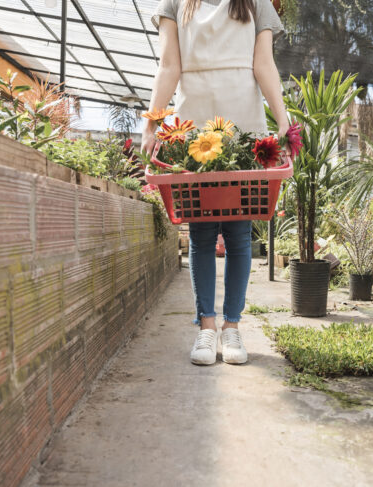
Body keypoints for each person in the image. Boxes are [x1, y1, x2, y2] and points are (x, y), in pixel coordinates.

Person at [142, 0, 289, 365]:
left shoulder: (255, 4)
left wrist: (283, 122)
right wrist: (151, 122)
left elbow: (264, 65)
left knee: (240, 234)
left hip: (245, 128)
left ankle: (232, 327)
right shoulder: (174, 4)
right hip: (194, 131)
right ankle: (207, 329)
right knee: (202, 233)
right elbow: (169, 66)